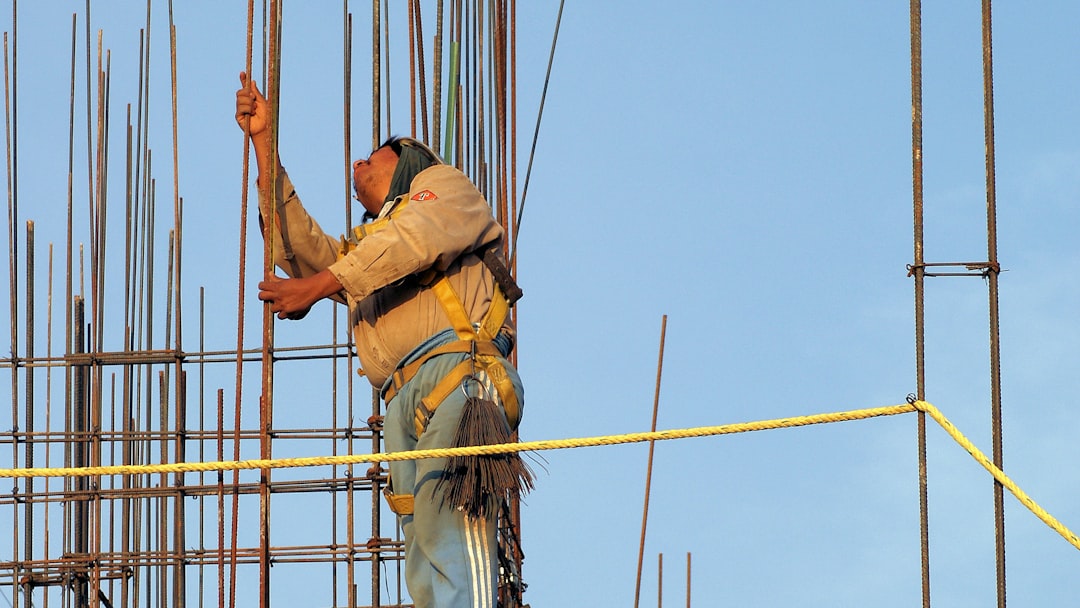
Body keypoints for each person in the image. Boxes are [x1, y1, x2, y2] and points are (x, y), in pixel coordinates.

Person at [234, 71, 528, 608]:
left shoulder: (447, 192)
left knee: (451, 521)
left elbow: (407, 242)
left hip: (459, 373)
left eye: (373, 156)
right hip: (403, 399)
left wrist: (321, 285)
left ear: (410, 162)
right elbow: (301, 251)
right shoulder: (367, 247)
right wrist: (264, 143)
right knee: (421, 542)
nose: (358, 164)